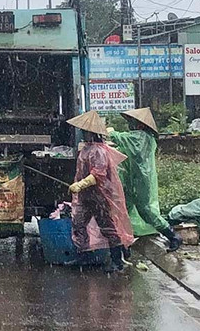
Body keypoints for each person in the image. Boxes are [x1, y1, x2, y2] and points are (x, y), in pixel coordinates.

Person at [67, 110, 135, 273]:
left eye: (85, 131)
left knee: (107, 227)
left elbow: (99, 173)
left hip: (100, 196)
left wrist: (81, 184)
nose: (83, 134)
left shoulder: (99, 151)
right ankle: (83, 257)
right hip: (86, 196)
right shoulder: (86, 149)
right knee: (78, 223)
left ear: (92, 132)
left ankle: (118, 261)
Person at [109, 108, 182, 251]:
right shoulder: (138, 137)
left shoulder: (141, 137)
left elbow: (126, 141)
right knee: (124, 210)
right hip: (132, 180)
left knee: (146, 211)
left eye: (132, 122)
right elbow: (123, 149)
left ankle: (172, 235)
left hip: (141, 180)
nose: (130, 124)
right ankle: (124, 244)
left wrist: (112, 133)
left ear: (140, 124)